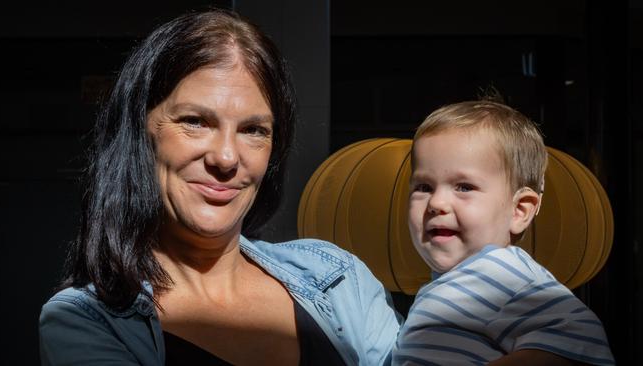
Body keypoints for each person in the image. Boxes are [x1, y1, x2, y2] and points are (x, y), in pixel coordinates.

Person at [38, 8, 402, 366]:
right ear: (140, 132)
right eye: (195, 121)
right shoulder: (86, 320)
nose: (227, 158)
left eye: (253, 130)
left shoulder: (337, 279)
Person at [393, 100, 615, 366]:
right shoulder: (462, 279)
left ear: (519, 211)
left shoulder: (501, 273)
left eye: (464, 187)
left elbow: (582, 336)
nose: (436, 203)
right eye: (424, 187)